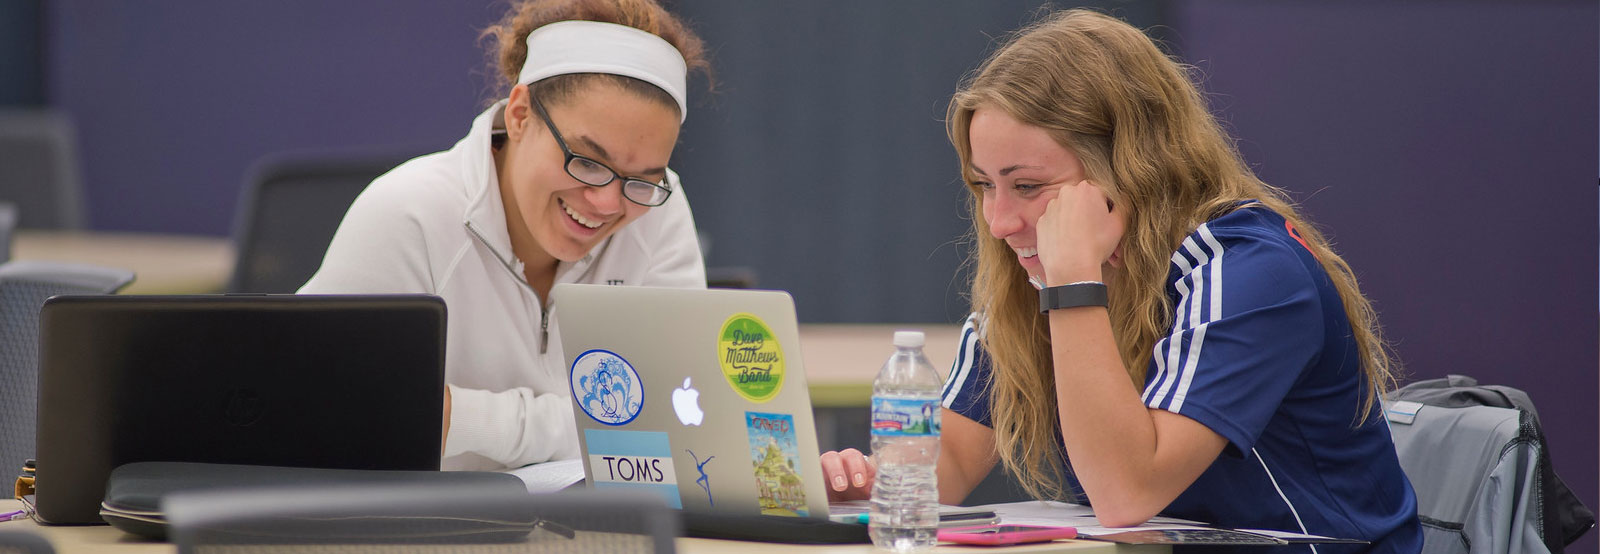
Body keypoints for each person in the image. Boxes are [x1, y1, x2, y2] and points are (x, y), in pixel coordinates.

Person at [820, 9, 1422, 552]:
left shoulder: (1251, 270)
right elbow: (949, 456)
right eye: (983, 185)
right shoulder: (1038, 280)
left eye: (1027, 185)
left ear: (1130, 167)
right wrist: (873, 484)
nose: (999, 221)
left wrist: (1073, 282)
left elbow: (1127, 492)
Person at [300, 0, 710, 471]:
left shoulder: (660, 205)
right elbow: (327, 417)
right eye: (589, 162)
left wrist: (461, 417)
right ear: (519, 115)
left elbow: (675, 424)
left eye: (641, 179)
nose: (608, 203)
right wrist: (595, 423)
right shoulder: (408, 214)